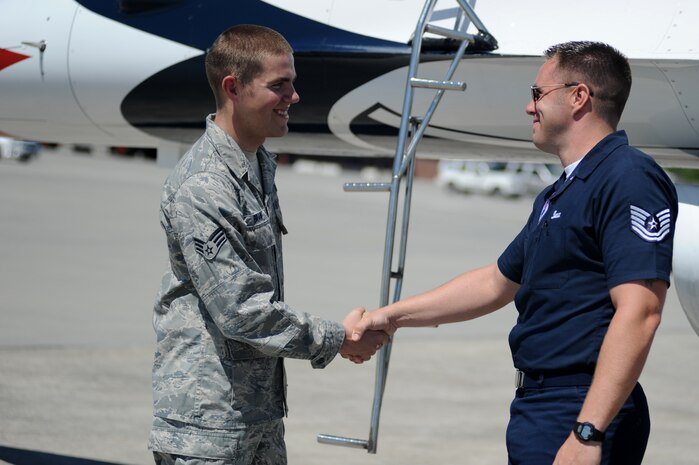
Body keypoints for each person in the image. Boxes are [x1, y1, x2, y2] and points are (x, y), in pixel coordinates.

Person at [352, 41, 678, 465]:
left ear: (579, 96)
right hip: (539, 409)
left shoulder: (629, 177)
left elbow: (641, 312)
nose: (529, 108)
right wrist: (387, 317)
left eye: (538, 94)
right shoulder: (558, 193)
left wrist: (587, 431)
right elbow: (495, 282)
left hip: (580, 408)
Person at [148, 24, 387, 465]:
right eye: (280, 85)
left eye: (292, 84)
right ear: (233, 88)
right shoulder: (206, 184)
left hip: (255, 415)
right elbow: (242, 310)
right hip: (208, 427)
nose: (294, 97)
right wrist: (338, 338)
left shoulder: (255, 165)